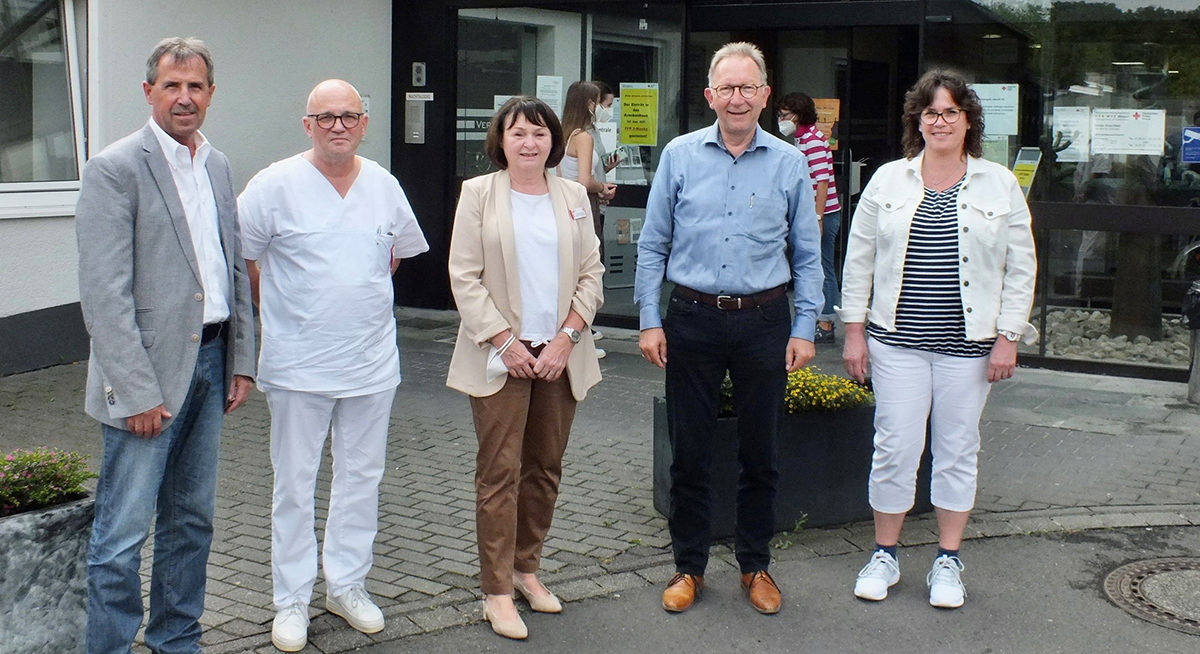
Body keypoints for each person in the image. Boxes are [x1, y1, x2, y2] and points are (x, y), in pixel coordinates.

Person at [76, 37, 255, 654]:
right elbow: (104, 295)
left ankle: (177, 639)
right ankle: (109, 647)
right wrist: (135, 391)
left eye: (196, 86)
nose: (184, 97)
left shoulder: (218, 164)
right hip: (146, 381)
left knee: (191, 522)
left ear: (210, 94)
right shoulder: (115, 168)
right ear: (149, 90)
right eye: (171, 86)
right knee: (122, 534)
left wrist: (242, 361)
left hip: (210, 365)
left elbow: (232, 270)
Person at [237, 79, 429, 651]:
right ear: (307, 125)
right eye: (325, 117)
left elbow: (390, 258)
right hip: (298, 364)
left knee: (361, 479)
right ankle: (291, 599)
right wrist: (284, 307)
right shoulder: (273, 186)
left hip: (371, 362)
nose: (338, 126)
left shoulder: (385, 186)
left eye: (348, 116)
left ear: (364, 123)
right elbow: (242, 257)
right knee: (294, 485)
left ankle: (346, 585)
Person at [634, 42, 823, 616]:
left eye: (749, 88)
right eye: (727, 88)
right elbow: (652, 244)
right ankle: (688, 567)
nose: (737, 98)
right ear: (709, 95)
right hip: (690, 318)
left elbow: (809, 256)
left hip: (764, 322)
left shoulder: (790, 163)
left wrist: (805, 326)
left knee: (759, 452)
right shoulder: (680, 155)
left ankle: (755, 565)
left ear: (765, 95)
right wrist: (649, 319)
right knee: (689, 453)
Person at [838, 70, 1037, 609]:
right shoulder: (887, 181)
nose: (940, 120)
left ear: (968, 119)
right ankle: (885, 553)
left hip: (969, 349)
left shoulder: (998, 182)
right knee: (896, 447)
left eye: (951, 111)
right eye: (931, 112)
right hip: (895, 342)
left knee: (956, 450)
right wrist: (852, 331)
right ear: (917, 121)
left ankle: (948, 560)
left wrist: (1009, 337)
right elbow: (858, 261)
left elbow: (1021, 268)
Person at [446, 96, 604, 640]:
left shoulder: (572, 196)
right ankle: (495, 590)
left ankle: (527, 570)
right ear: (502, 141)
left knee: (544, 469)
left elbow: (592, 273)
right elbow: (464, 276)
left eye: (539, 134)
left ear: (553, 140)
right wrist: (505, 341)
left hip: (559, 353)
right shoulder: (478, 194)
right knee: (499, 475)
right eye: (518, 134)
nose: (529, 143)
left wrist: (566, 338)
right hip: (500, 356)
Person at [778, 92, 842, 344]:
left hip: (823, 213)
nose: (781, 120)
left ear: (798, 115)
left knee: (823, 267)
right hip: (812, 212)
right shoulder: (801, 138)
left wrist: (817, 218)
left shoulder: (813, 140)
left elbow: (823, 181)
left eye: (785, 115)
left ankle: (826, 323)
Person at [559, 80, 617, 356]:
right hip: (583, 207)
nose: (602, 108)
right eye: (598, 102)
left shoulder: (563, 133)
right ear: (588, 104)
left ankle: (574, 332)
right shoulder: (584, 137)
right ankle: (581, 337)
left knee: (570, 270)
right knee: (588, 271)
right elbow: (584, 179)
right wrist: (603, 188)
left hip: (564, 206)